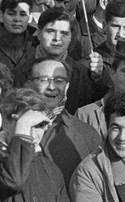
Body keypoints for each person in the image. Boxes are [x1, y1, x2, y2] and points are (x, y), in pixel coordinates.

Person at [27, 57, 102, 187]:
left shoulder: (87, 135)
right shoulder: (10, 127)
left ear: (67, 87)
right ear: (29, 85)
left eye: (59, 81)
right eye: (43, 80)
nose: (51, 87)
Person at [0, 88, 68, 201]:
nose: (32, 134)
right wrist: (23, 131)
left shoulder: (51, 169)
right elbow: (13, 182)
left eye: (39, 125)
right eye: (25, 124)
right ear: (6, 124)